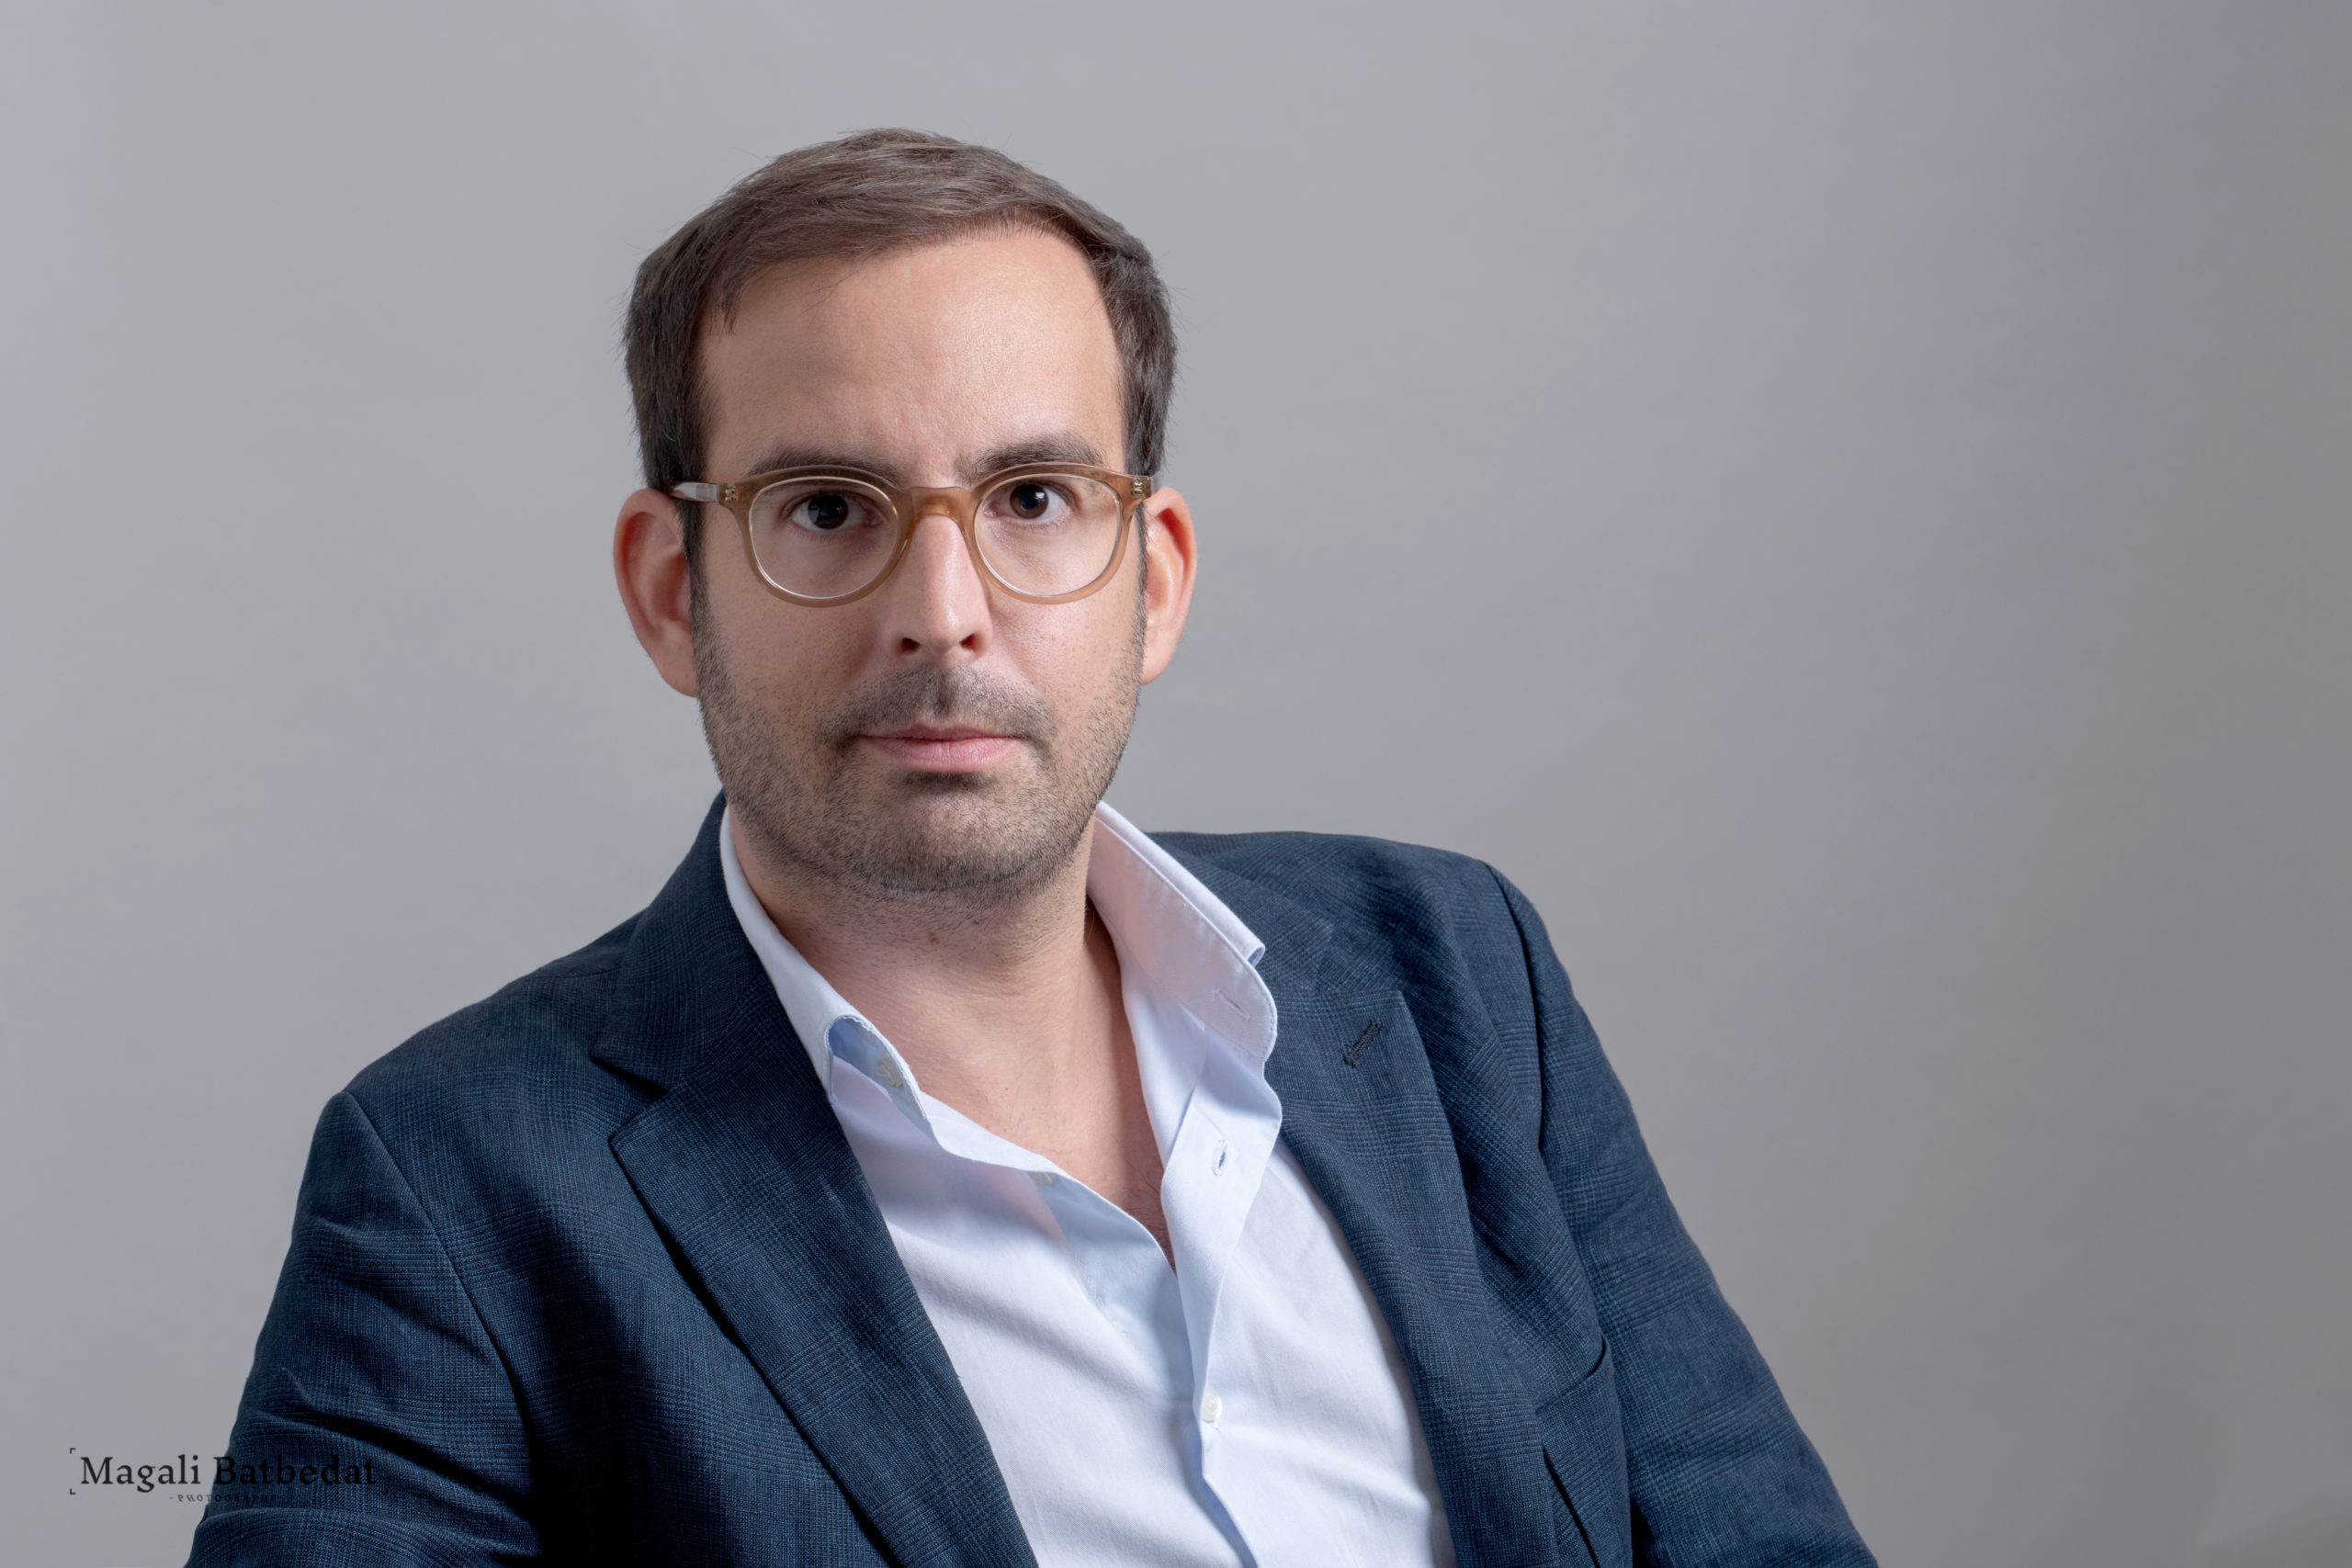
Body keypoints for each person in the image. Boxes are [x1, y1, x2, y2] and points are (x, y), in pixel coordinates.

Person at [191, 130, 1874, 1568]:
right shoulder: (456, 1185)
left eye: (1036, 499)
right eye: (827, 510)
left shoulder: (1458, 982)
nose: (944, 614)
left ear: (1156, 578)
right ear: (668, 592)